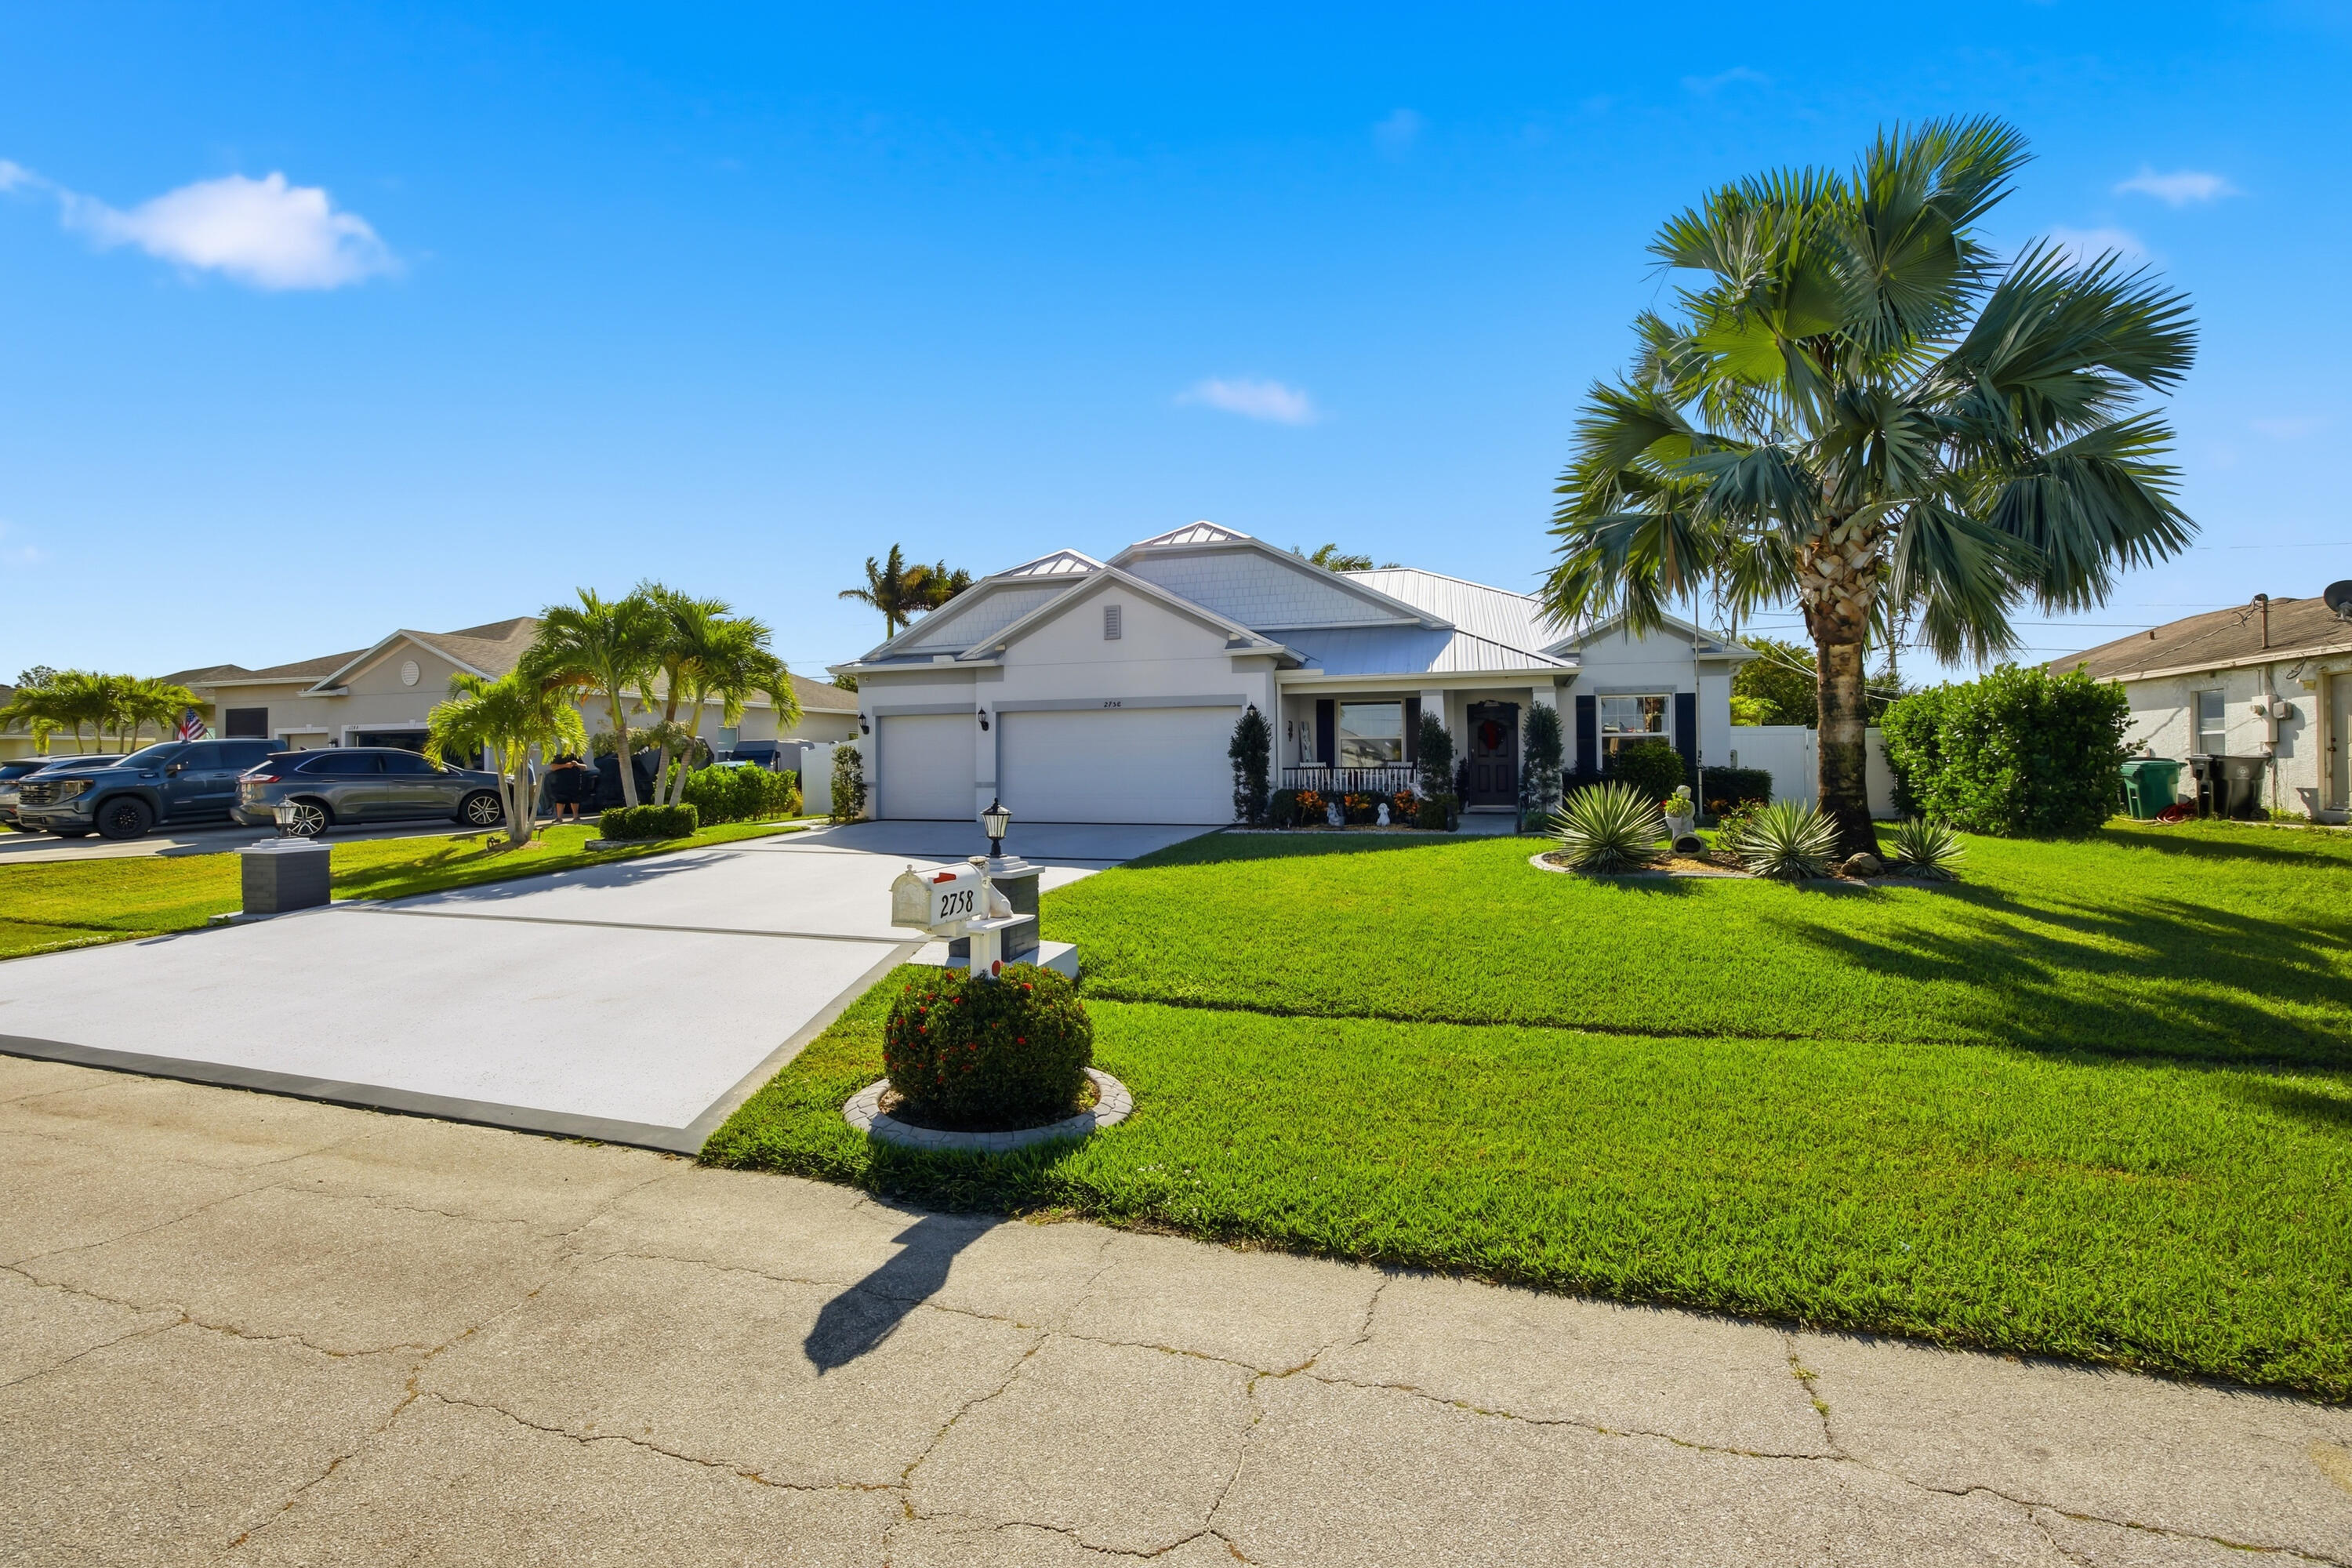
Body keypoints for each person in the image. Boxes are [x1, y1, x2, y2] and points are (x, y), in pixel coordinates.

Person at [546, 753, 589, 823]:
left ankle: (576, 816)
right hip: (561, 781)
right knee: (560, 800)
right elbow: (553, 767)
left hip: (574, 781)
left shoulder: (575, 756)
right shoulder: (558, 756)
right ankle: (559, 818)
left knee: (575, 799)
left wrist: (577, 764)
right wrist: (566, 766)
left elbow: (584, 767)